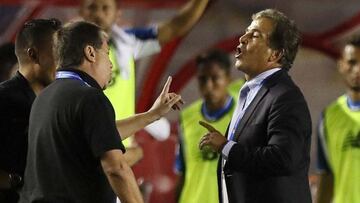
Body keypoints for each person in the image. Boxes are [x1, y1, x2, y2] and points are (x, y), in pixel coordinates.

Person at [20, 21, 183, 203]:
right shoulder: (90, 97)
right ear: (90, 53)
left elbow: (102, 134)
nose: (111, 64)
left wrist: (151, 115)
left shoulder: (44, 97)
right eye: (106, 53)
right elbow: (116, 169)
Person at [198, 9, 312, 203]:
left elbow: (283, 158)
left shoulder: (285, 96)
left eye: (255, 35)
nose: (243, 38)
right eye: (246, 32)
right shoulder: (252, 93)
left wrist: (226, 147)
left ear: (275, 54)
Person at [79, 0, 210, 165]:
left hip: (120, 147)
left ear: (117, 14)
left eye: (105, 8)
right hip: (86, 150)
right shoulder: (67, 52)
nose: (98, 14)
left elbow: (175, 27)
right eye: (92, 7)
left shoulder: (128, 42)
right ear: (82, 11)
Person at [0, 18, 62, 203]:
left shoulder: (56, 103)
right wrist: (16, 180)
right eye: (58, 51)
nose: (65, 61)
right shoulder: (5, 99)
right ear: (33, 55)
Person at [175, 49, 243, 203]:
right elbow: (184, 171)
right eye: (202, 79)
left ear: (228, 78)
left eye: (215, 78)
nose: (208, 85)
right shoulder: (187, 117)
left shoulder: (242, 111)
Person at [316, 35, 360, 203]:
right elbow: (326, 177)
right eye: (352, 62)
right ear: (341, 65)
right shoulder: (329, 117)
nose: (358, 70)